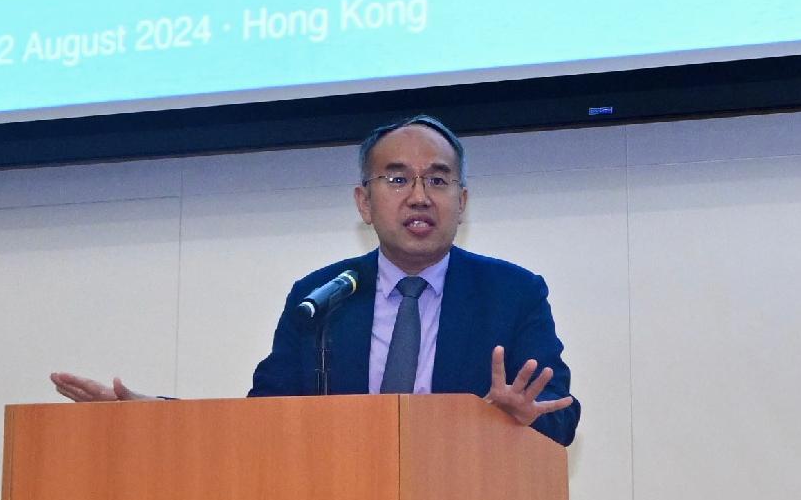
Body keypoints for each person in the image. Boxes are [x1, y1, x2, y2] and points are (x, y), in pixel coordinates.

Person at [46, 115, 576, 443]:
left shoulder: (513, 294)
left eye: (437, 180)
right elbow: (263, 425)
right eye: (397, 179)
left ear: (461, 202)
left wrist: (518, 421)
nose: (418, 196)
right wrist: (144, 415)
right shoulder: (323, 298)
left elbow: (562, 421)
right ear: (364, 202)